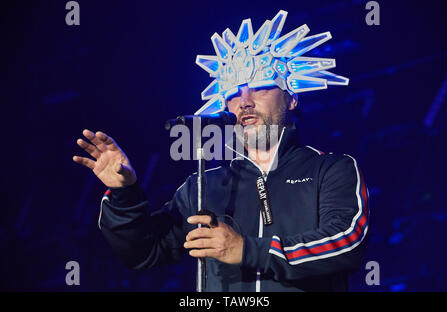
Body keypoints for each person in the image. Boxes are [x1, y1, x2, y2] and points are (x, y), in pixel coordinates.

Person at [73, 10, 369, 292]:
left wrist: (246, 250)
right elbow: (144, 252)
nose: (245, 101)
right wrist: (125, 195)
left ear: (291, 98)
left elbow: (346, 242)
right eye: (232, 94)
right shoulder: (203, 186)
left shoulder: (331, 169)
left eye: (261, 87)